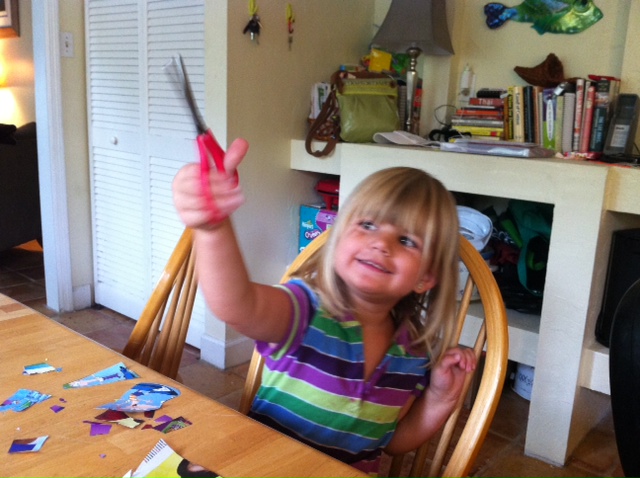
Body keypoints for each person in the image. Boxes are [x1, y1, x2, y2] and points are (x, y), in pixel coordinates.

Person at [172, 139, 476, 477]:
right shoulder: (305, 310)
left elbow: (392, 442)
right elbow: (238, 305)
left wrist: (440, 400)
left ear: (427, 277)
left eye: (406, 241)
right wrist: (212, 228)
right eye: (368, 225)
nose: (381, 243)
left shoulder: (414, 354)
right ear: (338, 237)